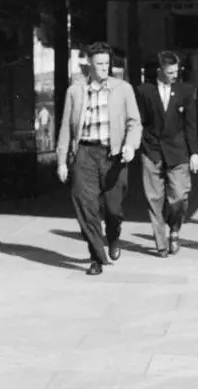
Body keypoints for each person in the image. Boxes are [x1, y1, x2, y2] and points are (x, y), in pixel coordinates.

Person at [57, 41, 141, 276]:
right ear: (90, 66)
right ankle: (96, 257)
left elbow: (134, 123)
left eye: (107, 63)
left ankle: (113, 237)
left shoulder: (123, 89)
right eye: (100, 64)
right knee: (87, 207)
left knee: (113, 210)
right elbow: (65, 127)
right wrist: (62, 160)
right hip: (84, 154)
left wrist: (130, 146)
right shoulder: (75, 91)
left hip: (113, 155)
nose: (105, 67)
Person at [136, 50, 198, 257]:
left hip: (178, 151)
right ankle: (161, 243)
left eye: (176, 70)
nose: (175, 74)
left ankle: (174, 229)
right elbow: (140, 121)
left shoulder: (186, 91)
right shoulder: (144, 92)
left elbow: (191, 124)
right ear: (159, 71)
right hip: (152, 150)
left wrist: (194, 153)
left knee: (179, 196)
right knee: (154, 198)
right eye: (170, 71)